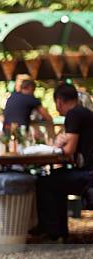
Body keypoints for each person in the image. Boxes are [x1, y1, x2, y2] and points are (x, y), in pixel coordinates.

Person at [33, 83, 93, 242]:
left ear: (59, 101)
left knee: (46, 181)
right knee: (55, 178)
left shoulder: (73, 115)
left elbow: (69, 151)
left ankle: (53, 231)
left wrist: (57, 146)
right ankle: (59, 231)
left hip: (88, 175)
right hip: (88, 172)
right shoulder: (85, 113)